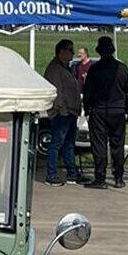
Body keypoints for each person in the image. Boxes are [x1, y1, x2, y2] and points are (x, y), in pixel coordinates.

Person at [81, 36, 128, 189]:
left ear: (99, 51)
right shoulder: (122, 68)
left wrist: (87, 109)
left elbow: (87, 92)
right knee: (118, 145)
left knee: (99, 145)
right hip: (117, 111)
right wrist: (125, 107)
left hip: (98, 110)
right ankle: (118, 178)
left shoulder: (95, 69)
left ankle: (100, 179)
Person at [42, 39, 85, 186]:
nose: (73, 54)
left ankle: (72, 174)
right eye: (70, 51)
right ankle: (51, 174)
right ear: (62, 52)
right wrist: (62, 109)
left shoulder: (67, 68)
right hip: (62, 114)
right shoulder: (54, 69)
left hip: (70, 113)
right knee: (56, 144)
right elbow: (56, 91)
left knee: (69, 144)